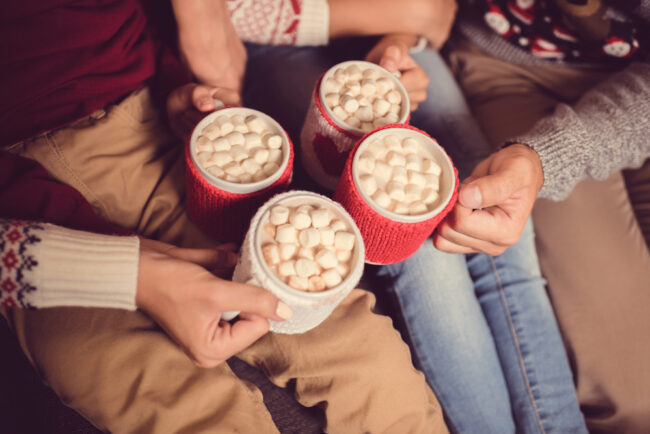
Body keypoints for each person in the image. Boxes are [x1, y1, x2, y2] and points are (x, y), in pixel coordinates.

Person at [0, 1, 448, 432]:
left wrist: (175, 86)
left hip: (145, 125)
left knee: (365, 356)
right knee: (177, 403)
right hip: (23, 223)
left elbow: (129, 19)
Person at [216, 1, 587, 432]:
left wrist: (401, 37)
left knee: (496, 220)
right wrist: (399, 16)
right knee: (420, 246)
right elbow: (221, 12)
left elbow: (439, 12)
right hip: (278, 38)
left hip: (394, 27)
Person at [432, 1, 650, 432]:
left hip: (638, 92)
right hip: (506, 65)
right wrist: (537, 162)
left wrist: (552, 156)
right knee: (634, 400)